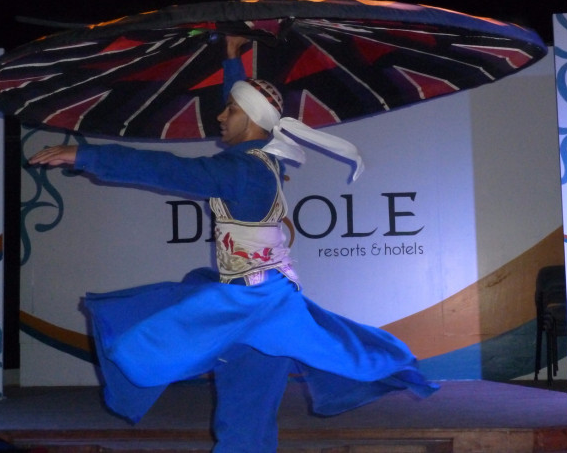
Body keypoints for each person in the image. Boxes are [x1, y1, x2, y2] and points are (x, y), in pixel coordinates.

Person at [29, 36, 438, 453]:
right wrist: (231, 61)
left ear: (254, 119)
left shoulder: (243, 170)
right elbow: (249, 112)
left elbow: (166, 168)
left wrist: (87, 156)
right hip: (261, 301)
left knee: (154, 345)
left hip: (254, 304)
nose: (220, 116)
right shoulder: (261, 157)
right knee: (245, 416)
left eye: (230, 110)